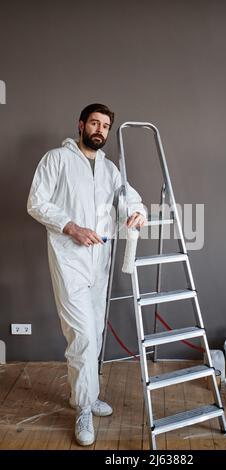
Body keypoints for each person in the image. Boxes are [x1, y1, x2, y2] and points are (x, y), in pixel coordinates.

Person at [27, 103, 146, 446]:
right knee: (81, 335)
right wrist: (71, 227)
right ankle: (82, 408)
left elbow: (128, 197)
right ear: (80, 125)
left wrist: (136, 212)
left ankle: (88, 396)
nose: (100, 130)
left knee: (94, 330)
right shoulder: (57, 159)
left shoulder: (109, 169)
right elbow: (36, 202)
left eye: (105, 126)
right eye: (94, 123)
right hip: (69, 259)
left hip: (100, 261)